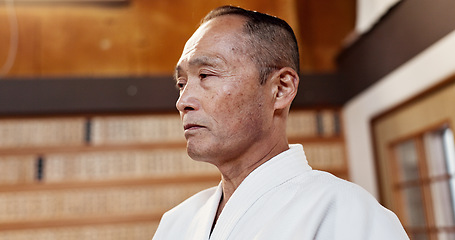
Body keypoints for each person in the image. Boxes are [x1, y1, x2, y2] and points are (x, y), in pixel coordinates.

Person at [153, 5, 409, 240]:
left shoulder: (344, 214)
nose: (182, 101)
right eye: (181, 84)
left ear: (281, 88)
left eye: (206, 74)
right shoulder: (177, 223)